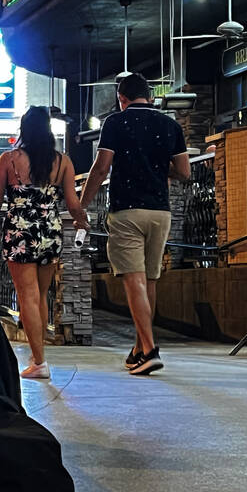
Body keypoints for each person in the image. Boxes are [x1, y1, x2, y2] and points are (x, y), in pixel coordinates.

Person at [79, 73, 189, 376]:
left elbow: (101, 168)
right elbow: (184, 171)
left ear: (121, 98)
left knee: (133, 280)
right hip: (160, 213)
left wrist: (81, 205)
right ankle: (140, 348)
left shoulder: (116, 122)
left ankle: (150, 350)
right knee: (148, 281)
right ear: (150, 97)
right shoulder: (171, 125)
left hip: (127, 210)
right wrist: (154, 167)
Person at [0, 107, 88, 380]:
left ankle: (39, 361)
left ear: (24, 129)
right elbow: (74, 205)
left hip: (20, 232)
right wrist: (82, 222)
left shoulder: (9, 159)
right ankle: (37, 355)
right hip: (50, 233)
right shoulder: (62, 161)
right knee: (40, 295)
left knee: (26, 295)